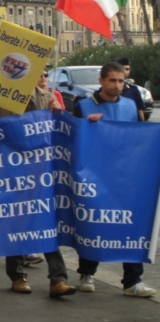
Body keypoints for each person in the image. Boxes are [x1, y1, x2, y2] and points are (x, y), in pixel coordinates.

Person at [0, 83, 77, 298]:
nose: (40, 76)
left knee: (46, 221)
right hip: (11, 171)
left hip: (42, 170)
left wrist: (59, 111)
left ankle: (58, 279)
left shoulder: (48, 97)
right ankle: (18, 276)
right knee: (17, 221)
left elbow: (62, 129)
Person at [74, 62, 156, 297]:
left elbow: (139, 137)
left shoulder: (130, 105)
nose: (117, 85)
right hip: (96, 176)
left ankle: (133, 280)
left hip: (126, 176)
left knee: (132, 225)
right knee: (94, 222)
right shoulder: (84, 106)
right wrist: (87, 126)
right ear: (101, 81)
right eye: (112, 80)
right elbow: (73, 138)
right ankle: (87, 272)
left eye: (121, 81)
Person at [115, 57, 145, 121]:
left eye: (127, 69)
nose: (125, 72)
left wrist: (142, 126)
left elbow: (140, 110)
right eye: (123, 69)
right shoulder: (109, 90)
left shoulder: (133, 90)